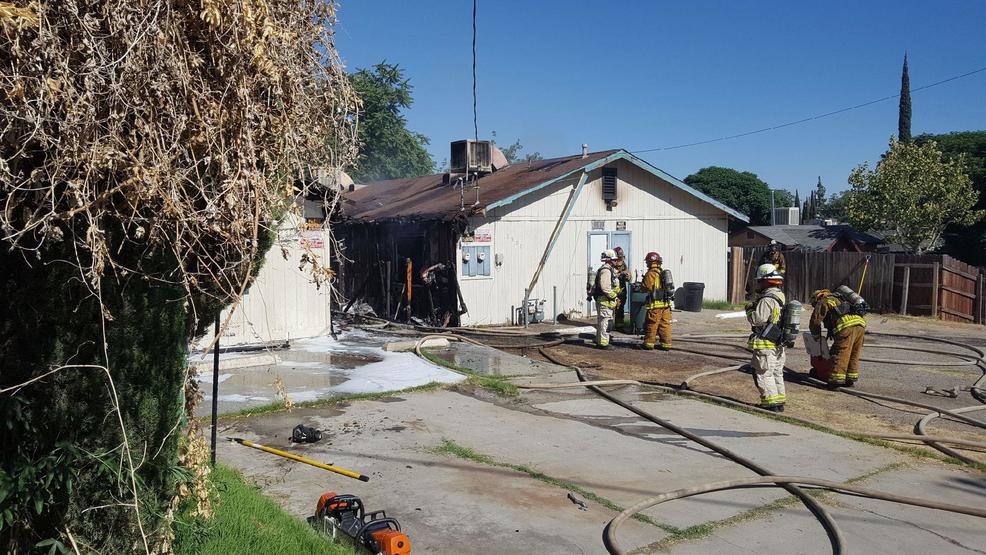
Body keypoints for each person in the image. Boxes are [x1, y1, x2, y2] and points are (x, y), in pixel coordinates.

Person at [746, 263, 787, 411]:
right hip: (778, 343)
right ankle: (779, 401)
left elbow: (757, 319)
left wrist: (749, 310)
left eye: (759, 281)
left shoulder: (766, 299)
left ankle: (771, 403)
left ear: (765, 281)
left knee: (764, 373)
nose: (758, 284)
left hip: (766, 344)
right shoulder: (780, 295)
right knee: (776, 373)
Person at [809, 288, 866, 386]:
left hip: (846, 327)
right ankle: (850, 378)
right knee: (854, 353)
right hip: (861, 325)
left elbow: (815, 320)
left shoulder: (824, 300)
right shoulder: (841, 298)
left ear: (817, 298)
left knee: (841, 353)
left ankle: (836, 381)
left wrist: (816, 336)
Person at [640, 251, 672, 350]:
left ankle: (649, 344)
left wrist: (642, 284)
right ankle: (666, 344)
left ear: (650, 262)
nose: (647, 264)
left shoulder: (651, 273)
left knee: (652, 324)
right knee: (665, 325)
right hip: (666, 305)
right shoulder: (662, 273)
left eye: (647, 262)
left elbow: (646, 287)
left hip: (655, 306)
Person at [592, 249, 621, 349]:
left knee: (603, 322)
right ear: (609, 260)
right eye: (614, 259)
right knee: (605, 323)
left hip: (606, 301)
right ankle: (603, 344)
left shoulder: (609, 270)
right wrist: (614, 296)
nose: (616, 261)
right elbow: (605, 287)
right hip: (605, 301)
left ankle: (600, 341)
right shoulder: (606, 271)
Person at [611, 246, 632, 330]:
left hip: (621, 290)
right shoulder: (610, 265)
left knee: (620, 308)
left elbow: (629, 278)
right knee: (610, 308)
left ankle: (619, 325)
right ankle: (608, 325)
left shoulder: (624, 265)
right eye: (619, 258)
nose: (620, 260)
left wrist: (628, 276)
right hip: (612, 290)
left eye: (622, 258)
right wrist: (619, 274)